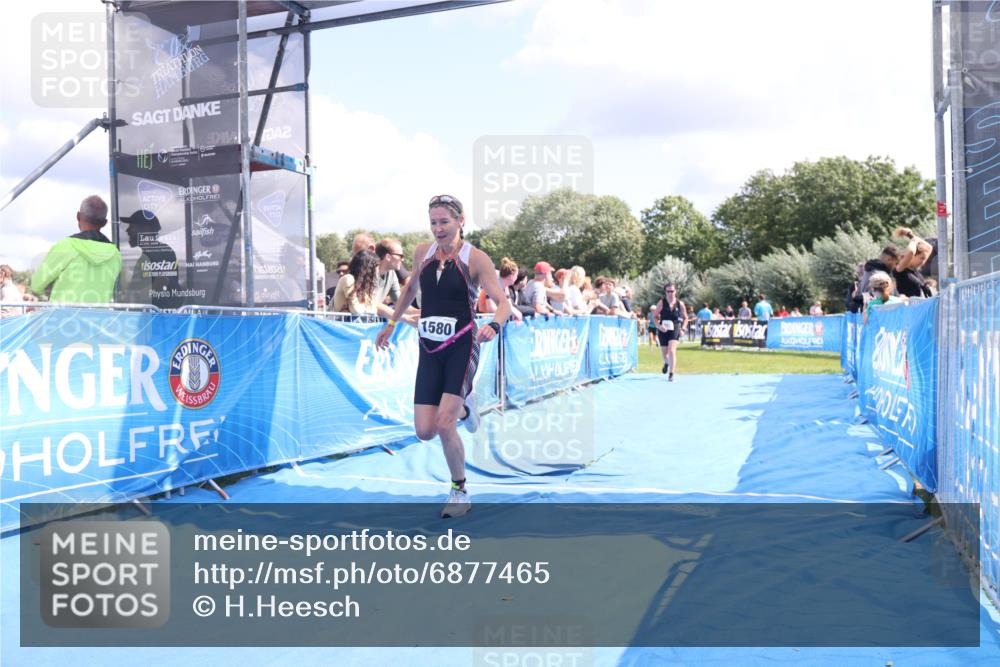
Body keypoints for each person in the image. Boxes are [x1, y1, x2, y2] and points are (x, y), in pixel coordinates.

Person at [376, 194, 510, 519]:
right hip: (429, 348)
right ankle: (466, 405)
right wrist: (391, 324)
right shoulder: (423, 252)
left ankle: (459, 490)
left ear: (460, 220)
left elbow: (503, 303)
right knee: (425, 431)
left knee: (444, 422)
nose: (438, 228)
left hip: (462, 345)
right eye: (433, 222)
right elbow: (409, 291)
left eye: (444, 222)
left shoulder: (475, 258)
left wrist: (493, 324)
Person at [31, 195, 122, 303]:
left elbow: (36, 285)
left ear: (78, 216)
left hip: (62, 318)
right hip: (99, 319)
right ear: (104, 223)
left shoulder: (65, 246)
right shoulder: (115, 254)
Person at [120, 210, 183, 309]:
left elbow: (163, 282)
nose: (128, 230)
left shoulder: (158, 252)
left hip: (154, 317)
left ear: (146, 229)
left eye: (132, 226)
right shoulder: (153, 252)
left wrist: (134, 298)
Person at [374, 238, 418, 325]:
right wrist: (406, 318)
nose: (403, 260)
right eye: (400, 256)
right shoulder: (368, 272)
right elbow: (372, 304)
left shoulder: (392, 274)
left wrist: (422, 313)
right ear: (388, 257)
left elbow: (400, 304)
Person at [652, 283, 688, 381]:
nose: (670, 293)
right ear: (665, 292)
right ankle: (667, 363)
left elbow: (686, 318)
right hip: (663, 329)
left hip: (675, 328)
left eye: (672, 291)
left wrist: (683, 329)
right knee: (665, 353)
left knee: (672, 350)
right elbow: (655, 317)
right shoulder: (662, 303)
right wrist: (659, 326)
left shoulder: (680, 304)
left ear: (675, 291)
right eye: (668, 291)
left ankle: (671, 374)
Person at [331, 250, 379, 315]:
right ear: (369, 268)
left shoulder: (363, 286)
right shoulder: (348, 279)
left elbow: (374, 310)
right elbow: (357, 310)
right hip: (341, 324)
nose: (377, 270)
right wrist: (366, 307)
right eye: (376, 266)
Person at [892, 227, 933, 298]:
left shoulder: (914, 270)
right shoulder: (900, 269)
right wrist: (914, 240)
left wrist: (910, 235)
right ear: (913, 256)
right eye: (921, 258)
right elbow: (911, 251)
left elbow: (929, 247)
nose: (923, 262)